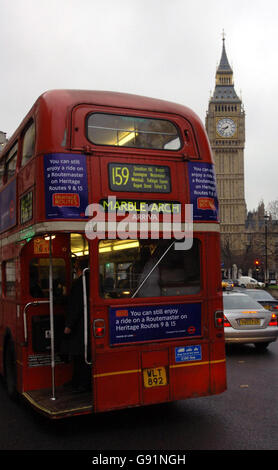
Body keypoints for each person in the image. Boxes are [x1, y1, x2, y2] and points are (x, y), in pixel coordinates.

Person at [62, 259, 91, 393]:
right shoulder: (92, 280)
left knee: (80, 355)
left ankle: (81, 384)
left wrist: (69, 325)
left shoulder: (80, 283)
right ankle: (76, 380)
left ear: (79, 269)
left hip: (80, 326)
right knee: (83, 354)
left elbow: (75, 306)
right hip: (87, 323)